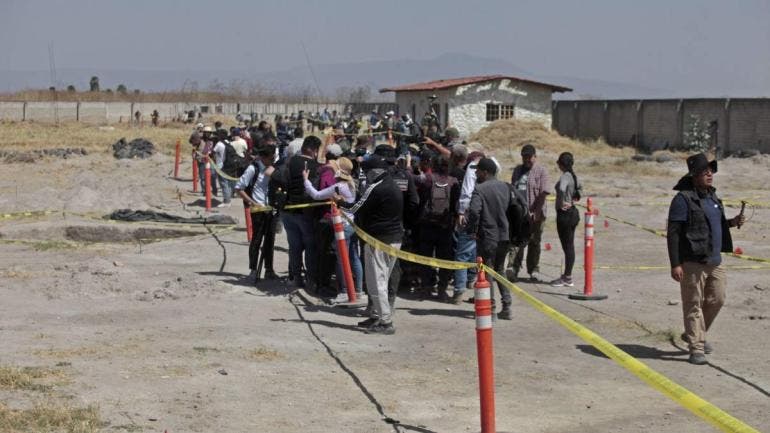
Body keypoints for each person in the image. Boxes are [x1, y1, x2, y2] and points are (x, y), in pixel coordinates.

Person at [667, 153, 746, 365]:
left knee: (717, 300)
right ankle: (696, 347)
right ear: (694, 176)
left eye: (711, 171)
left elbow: (716, 225)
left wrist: (732, 222)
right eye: (704, 172)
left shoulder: (713, 197)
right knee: (693, 304)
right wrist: (675, 264)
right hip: (692, 261)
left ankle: (694, 333)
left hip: (715, 261)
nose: (709, 174)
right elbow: (673, 234)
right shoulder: (683, 199)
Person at [349, 155, 404, 334]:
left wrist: (338, 202)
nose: (365, 175)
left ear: (373, 172)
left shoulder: (376, 188)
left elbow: (355, 208)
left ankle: (385, 322)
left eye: (366, 171)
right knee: (381, 279)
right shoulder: (393, 185)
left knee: (376, 281)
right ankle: (376, 315)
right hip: (394, 239)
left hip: (378, 240)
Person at [302, 157, 364, 304]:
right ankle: (358, 290)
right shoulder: (352, 184)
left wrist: (306, 180)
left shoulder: (339, 187)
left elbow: (316, 195)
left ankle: (344, 291)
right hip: (352, 224)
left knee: (341, 259)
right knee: (354, 257)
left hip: (342, 226)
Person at [466, 158, 513, 320]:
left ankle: (490, 309)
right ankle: (507, 306)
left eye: (478, 170)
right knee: (500, 270)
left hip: (487, 236)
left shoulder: (479, 189)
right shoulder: (505, 187)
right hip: (504, 235)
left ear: (485, 172)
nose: (476, 173)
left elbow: (474, 211)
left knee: (486, 272)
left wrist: (471, 230)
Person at [281, 136, 322, 292]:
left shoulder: (290, 161)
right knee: (310, 247)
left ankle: (296, 278)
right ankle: (311, 280)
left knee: (294, 247)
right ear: (314, 150)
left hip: (287, 210)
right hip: (305, 212)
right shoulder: (315, 166)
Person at [507, 144, 551, 282]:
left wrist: (536, 212)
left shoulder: (541, 171)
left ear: (535, 157)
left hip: (536, 214)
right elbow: (513, 189)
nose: (526, 159)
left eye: (529, 157)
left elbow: (544, 193)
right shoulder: (517, 170)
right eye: (524, 157)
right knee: (516, 241)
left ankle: (533, 270)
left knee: (534, 242)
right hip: (519, 213)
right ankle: (513, 268)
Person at [236, 144, 276, 284]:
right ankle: (253, 269)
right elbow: (239, 188)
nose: (273, 160)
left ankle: (269, 269)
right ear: (263, 157)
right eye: (271, 158)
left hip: (271, 209)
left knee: (270, 241)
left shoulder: (273, 168)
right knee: (256, 240)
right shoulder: (253, 168)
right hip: (258, 210)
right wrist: (252, 203)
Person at [550, 152, 582, 287]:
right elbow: (580, 190)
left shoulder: (565, 177)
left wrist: (562, 202)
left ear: (561, 164)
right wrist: (572, 200)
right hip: (573, 213)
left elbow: (562, 189)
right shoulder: (574, 176)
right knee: (570, 246)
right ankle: (567, 276)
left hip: (565, 215)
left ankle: (567, 277)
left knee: (567, 247)